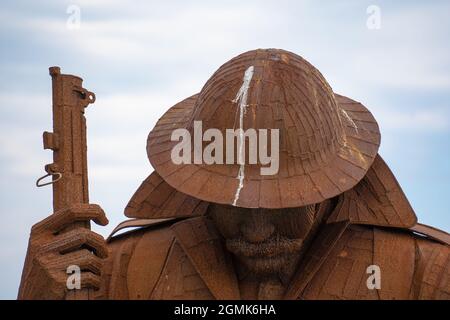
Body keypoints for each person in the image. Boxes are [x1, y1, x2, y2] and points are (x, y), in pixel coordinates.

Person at [18, 49, 450, 300]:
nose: (258, 231)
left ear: (332, 189)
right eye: (234, 204)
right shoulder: (120, 268)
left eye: (283, 205)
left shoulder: (426, 273)